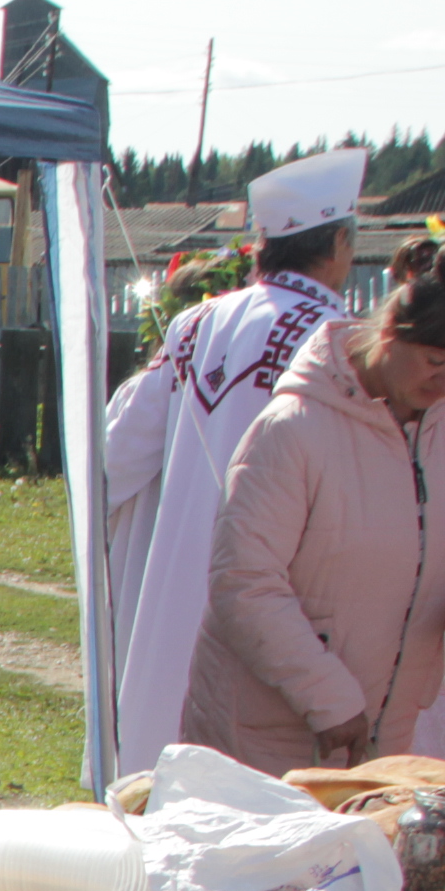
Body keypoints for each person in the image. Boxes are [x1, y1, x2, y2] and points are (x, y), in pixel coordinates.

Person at [108, 146, 366, 777]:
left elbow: (118, 456)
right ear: (336, 243)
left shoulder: (194, 324)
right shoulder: (343, 341)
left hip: (177, 589)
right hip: (286, 587)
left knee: (161, 777)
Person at [184, 239, 445, 771]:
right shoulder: (294, 428)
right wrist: (328, 697)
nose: (443, 381)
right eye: (435, 361)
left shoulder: (437, 432)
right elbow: (244, 580)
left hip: (381, 734)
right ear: (391, 334)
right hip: (271, 737)